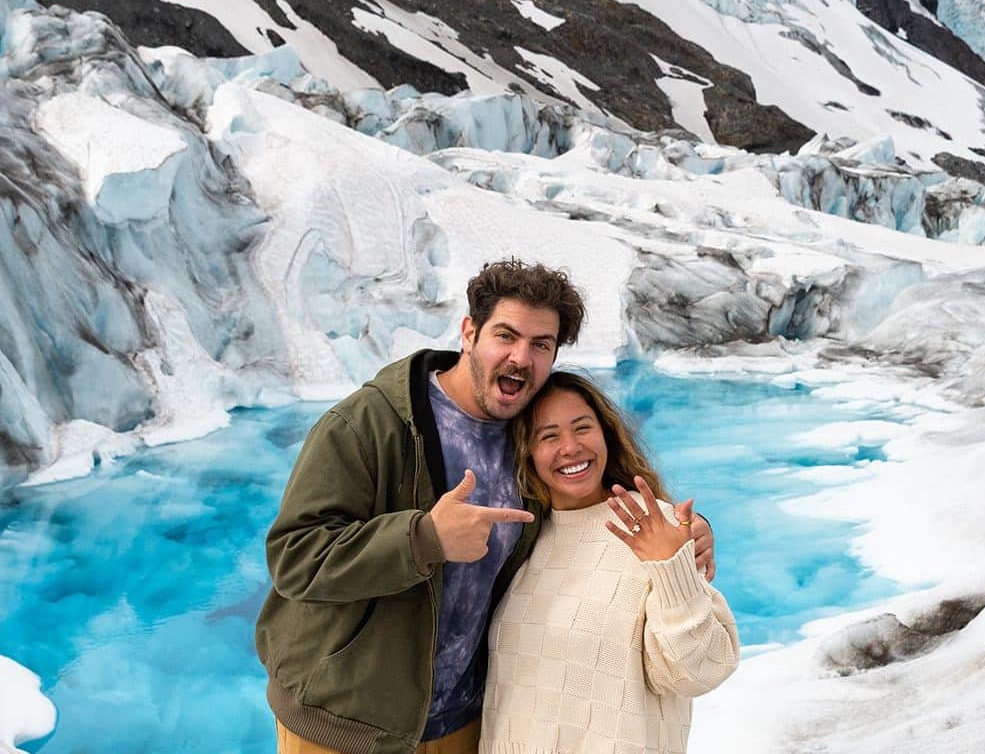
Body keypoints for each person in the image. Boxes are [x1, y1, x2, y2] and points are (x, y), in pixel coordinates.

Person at [255, 259, 716, 754]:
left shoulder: (526, 436)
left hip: (465, 723)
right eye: (506, 335)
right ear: (469, 331)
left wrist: (688, 527)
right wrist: (424, 539)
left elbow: (589, 500)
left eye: (541, 344)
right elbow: (295, 557)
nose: (521, 357)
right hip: (348, 723)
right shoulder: (369, 424)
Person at [481, 371, 740, 754]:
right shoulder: (520, 539)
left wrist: (672, 569)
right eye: (548, 436)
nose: (570, 447)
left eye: (582, 428)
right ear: (526, 453)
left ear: (607, 435)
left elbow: (696, 672)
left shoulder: (659, 529)